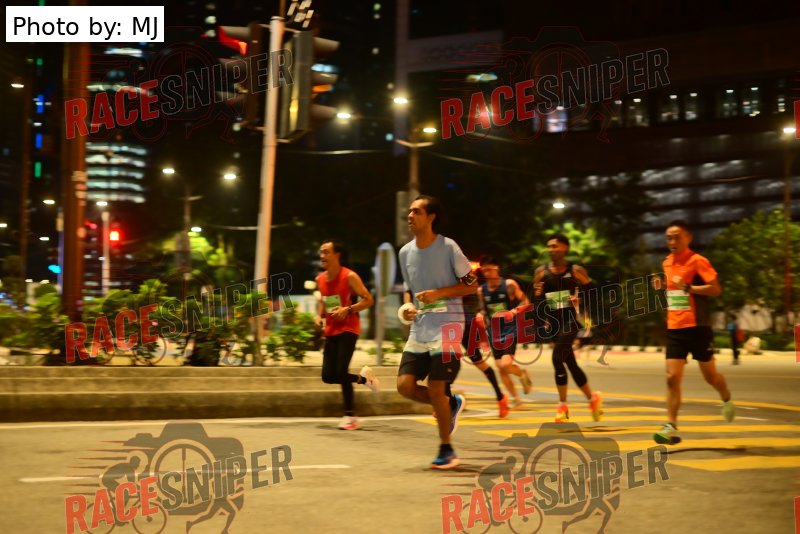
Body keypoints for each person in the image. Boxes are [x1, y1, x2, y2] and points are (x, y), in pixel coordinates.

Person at [397, 195, 477, 469]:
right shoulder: (405, 252)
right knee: (405, 387)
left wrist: (440, 293)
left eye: (416, 212)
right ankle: (450, 403)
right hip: (420, 328)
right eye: (409, 211)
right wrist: (408, 306)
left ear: (431, 217)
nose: (410, 216)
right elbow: (410, 290)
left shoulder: (448, 247)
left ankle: (447, 449)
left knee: (435, 386)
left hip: (449, 328)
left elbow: (471, 285)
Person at [652, 220, 734, 445]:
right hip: (675, 328)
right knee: (671, 378)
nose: (672, 241)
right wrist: (662, 286)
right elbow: (674, 291)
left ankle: (726, 397)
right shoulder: (667, 262)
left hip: (698, 328)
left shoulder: (698, 261)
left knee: (711, 377)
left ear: (688, 237)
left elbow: (716, 289)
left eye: (677, 237)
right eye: (669, 237)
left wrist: (690, 288)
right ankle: (670, 425)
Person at [532, 233, 603, 423]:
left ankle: (562, 406)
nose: (551, 250)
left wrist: (579, 299)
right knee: (570, 363)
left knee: (557, 358)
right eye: (549, 246)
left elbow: (593, 294)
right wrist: (539, 305)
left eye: (555, 246)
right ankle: (593, 399)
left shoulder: (576, 270)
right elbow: (536, 300)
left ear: (565, 248)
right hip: (553, 323)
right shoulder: (541, 272)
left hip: (571, 321)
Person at [316, 240, 379, 431]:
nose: (322, 256)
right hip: (331, 329)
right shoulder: (320, 279)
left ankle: (350, 416)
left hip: (348, 328)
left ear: (337, 255)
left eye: (326, 252)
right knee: (328, 376)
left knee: (341, 371)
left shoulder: (350, 276)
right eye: (321, 252)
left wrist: (348, 309)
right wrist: (319, 317)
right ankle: (365, 379)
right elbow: (325, 302)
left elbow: (369, 300)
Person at [477, 256, 533, 409]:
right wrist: (480, 316)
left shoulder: (509, 285)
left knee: (506, 364)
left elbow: (526, 302)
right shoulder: (481, 290)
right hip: (493, 333)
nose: (486, 273)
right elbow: (482, 310)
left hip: (509, 330)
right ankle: (517, 399)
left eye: (489, 269)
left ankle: (521, 374)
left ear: (497, 268)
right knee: (500, 368)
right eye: (484, 271)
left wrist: (513, 312)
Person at [461, 265, 511, 418]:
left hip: (466, 326)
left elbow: (474, 293)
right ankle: (443, 400)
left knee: (479, 362)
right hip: (445, 324)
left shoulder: (466, 278)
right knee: (443, 359)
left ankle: (500, 397)